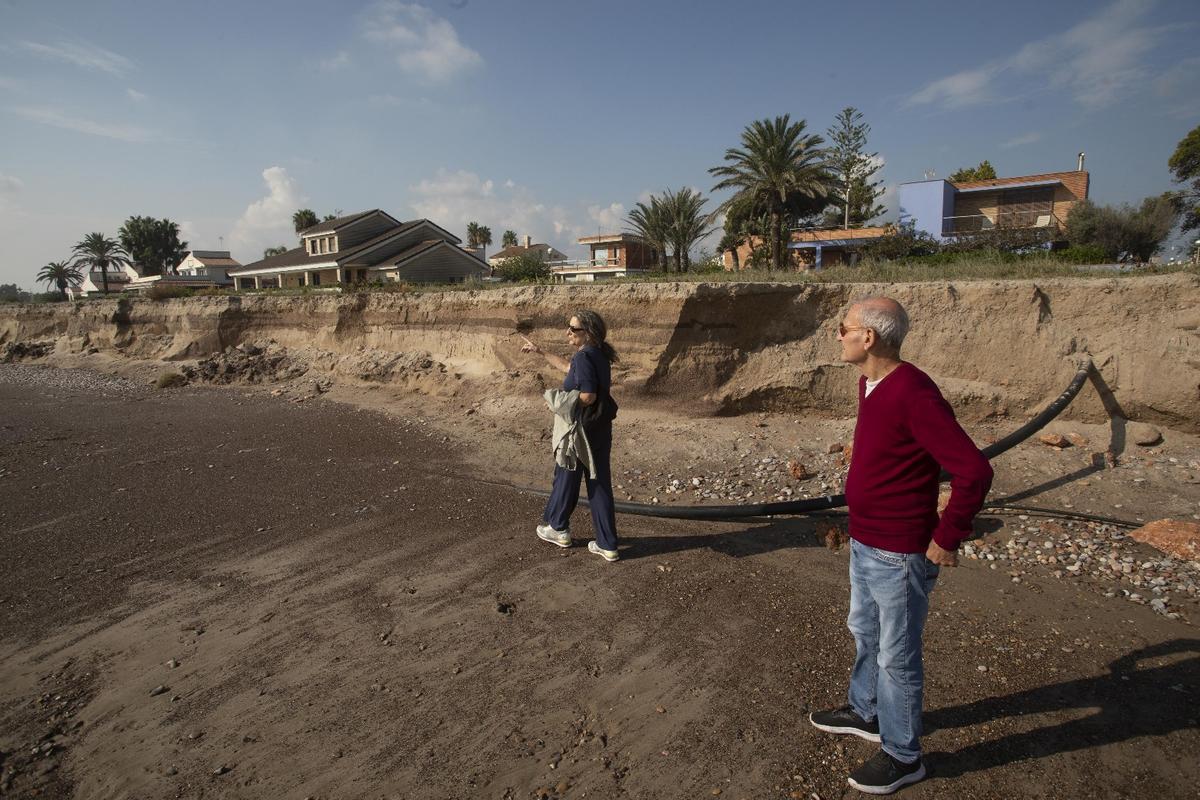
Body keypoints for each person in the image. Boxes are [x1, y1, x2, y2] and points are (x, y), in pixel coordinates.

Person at [809, 297, 993, 795]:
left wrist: (947, 536)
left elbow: (974, 471)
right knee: (865, 630)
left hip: (900, 551)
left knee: (897, 656)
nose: (838, 335)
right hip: (867, 540)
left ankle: (903, 754)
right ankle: (865, 711)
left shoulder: (914, 393)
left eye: (842, 328)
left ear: (868, 337)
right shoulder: (869, 383)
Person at [521, 310, 620, 562]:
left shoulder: (585, 357)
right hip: (599, 429)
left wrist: (559, 402)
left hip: (580, 430)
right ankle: (607, 544)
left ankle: (557, 528)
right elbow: (569, 368)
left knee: (565, 476)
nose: (568, 332)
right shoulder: (597, 355)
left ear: (588, 333)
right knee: (598, 484)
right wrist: (540, 352)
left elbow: (588, 396)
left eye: (573, 329)